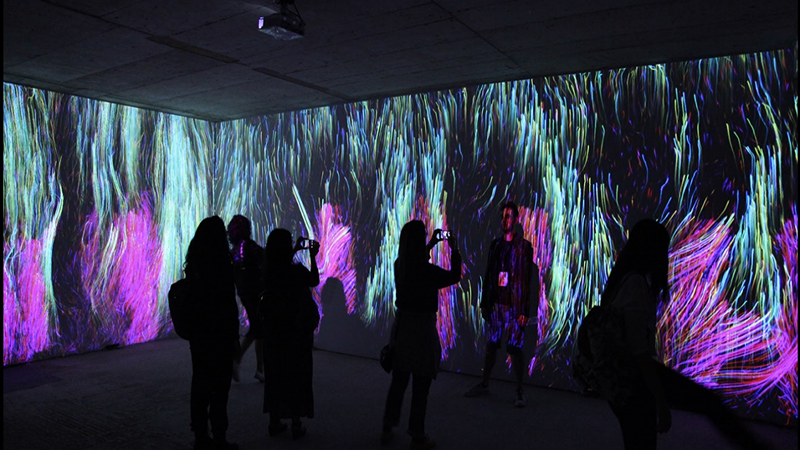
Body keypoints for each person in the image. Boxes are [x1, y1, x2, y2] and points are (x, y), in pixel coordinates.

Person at [601, 219, 770, 450]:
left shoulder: (623, 280)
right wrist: (660, 400)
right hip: (632, 379)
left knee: (640, 440)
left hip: (624, 378)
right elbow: (638, 352)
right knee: (704, 405)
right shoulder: (635, 285)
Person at [381, 221, 462, 450]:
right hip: (423, 332)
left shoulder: (400, 265)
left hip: (402, 328)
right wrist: (454, 249)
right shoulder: (428, 272)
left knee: (399, 381)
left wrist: (431, 244)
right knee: (421, 385)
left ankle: (387, 427)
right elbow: (454, 276)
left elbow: (414, 259)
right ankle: (417, 435)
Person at [464, 201, 539, 407]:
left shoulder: (524, 247)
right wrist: (485, 303)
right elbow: (489, 274)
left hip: (515, 307)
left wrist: (525, 311)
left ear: (515, 220)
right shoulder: (496, 245)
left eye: (508, 216)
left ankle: (519, 390)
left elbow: (528, 281)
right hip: (497, 305)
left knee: (515, 349)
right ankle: (485, 383)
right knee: (492, 345)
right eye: (502, 216)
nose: (504, 220)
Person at [183, 216, 240, 450]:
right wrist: (234, 337)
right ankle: (219, 437)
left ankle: (200, 436)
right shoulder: (222, 265)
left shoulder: (194, 264)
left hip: (199, 334)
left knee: (200, 384)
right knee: (220, 388)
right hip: (221, 334)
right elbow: (228, 304)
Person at [260, 229, 321, 440]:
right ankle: (296, 423)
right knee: (296, 375)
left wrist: (293, 250)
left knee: (275, 375)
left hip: (273, 333)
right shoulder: (296, 272)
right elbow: (314, 280)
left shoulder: (267, 272)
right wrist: (312, 256)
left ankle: (274, 421)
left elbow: (278, 266)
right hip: (295, 333)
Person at [227, 215, 265, 383]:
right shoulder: (250, 247)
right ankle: (239, 360)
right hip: (256, 292)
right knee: (258, 329)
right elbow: (264, 258)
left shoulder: (233, 251)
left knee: (259, 329)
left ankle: (259, 369)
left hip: (245, 293)